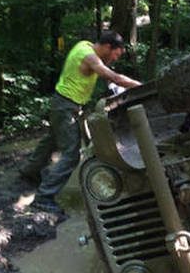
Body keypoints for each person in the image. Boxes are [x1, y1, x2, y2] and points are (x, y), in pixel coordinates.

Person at [21, 30, 141, 216]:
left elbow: (103, 72)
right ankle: (44, 198)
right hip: (66, 107)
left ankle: (30, 171)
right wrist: (142, 87)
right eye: (115, 54)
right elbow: (115, 78)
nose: (115, 58)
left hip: (61, 103)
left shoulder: (83, 45)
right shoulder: (90, 57)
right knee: (71, 154)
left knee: (51, 141)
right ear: (108, 47)